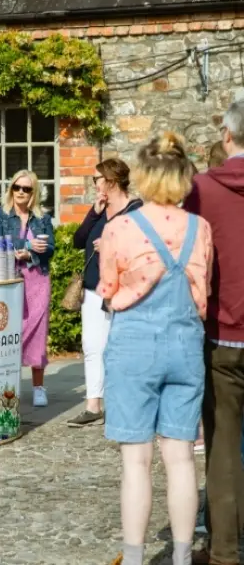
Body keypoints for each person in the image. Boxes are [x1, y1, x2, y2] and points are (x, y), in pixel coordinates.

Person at [100, 132, 213, 565]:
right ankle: (182, 557)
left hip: (135, 344)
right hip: (185, 343)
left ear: (143, 176)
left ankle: (133, 558)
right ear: (184, 177)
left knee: (137, 461)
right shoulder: (200, 228)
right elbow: (202, 294)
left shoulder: (121, 226)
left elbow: (108, 289)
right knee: (181, 457)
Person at [183, 102, 244, 565]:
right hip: (222, 332)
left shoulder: (201, 189)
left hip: (222, 334)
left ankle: (225, 552)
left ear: (227, 135)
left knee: (222, 445)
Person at [67, 158, 142, 428]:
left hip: (121, 291)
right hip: (92, 288)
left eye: (96, 179)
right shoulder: (100, 210)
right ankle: (93, 405)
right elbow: (78, 241)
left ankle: (123, 404)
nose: (94, 184)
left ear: (110, 182)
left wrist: (112, 244)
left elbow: (143, 252)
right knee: (92, 346)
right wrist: (94, 214)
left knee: (120, 348)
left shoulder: (135, 211)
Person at [0, 170, 54, 408]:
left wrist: (33, 252)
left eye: (27, 189)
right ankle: (8, 386)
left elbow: (51, 247)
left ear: (33, 192)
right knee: (10, 331)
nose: (21, 193)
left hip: (37, 278)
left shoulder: (42, 218)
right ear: (11, 189)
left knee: (37, 332)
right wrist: (27, 244)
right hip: (9, 277)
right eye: (17, 187)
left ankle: (38, 387)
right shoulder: (0, 214)